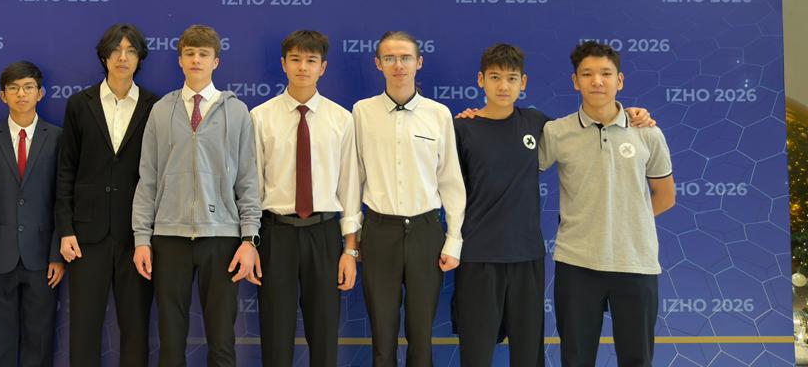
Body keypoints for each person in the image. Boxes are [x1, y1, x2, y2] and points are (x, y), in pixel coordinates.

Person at [452, 43, 657, 367]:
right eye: (495, 77)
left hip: (528, 256)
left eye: (511, 78)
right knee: (477, 352)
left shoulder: (537, 123)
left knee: (530, 354)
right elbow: (450, 191)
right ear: (481, 80)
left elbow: (594, 122)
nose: (503, 86)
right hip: (479, 254)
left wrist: (632, 113)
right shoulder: (464, 128)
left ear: (523, 82)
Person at [131, 24, 261, 367]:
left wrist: (249, 238)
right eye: (189, 53)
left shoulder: (237, 111)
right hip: (169, 237)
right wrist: (142, 238)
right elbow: (148, 178)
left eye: (204, 54)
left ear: (216, 61)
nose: (196, 60)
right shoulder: (161, 110)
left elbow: (248, 180)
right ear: (180, 60)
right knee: (171, 342)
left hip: (222, 238)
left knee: (222, 342)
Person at [541, 41, 674, 367]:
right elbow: (514, 159)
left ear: (620, 80)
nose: (597, 81)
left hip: (636, 262)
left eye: (606, 73)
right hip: (577, 263)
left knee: (637, 359)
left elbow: (665, 195)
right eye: (587, 74)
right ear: (575, 81)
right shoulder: (556, 132)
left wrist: (628, 221)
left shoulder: (647, 133)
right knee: (576, 358)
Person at [248, 30, 361, 367]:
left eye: (311, 60)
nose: (302, 67)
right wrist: (250, 242)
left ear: (322, 67)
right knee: (275, 333)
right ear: (283, 64)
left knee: (324, 334)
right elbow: (251, 186)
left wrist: (350, 250)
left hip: (323, 235)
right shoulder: (260, 117)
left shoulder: (341, 119)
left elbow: (350, 188)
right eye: (295, 59)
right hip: (276, 233)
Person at [352, 30, 465, 367]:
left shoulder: (438, 114)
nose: (398, 65)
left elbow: (450, 181)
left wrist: (454, 239)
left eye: (405, 58)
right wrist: (352, 239)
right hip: (378, 232)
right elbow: (353, 179)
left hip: (425, 233)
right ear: (378, 64)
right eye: (389, 58)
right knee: (382, 339)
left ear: (419, 62)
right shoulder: (362, 112)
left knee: (421, 337)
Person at [55, 24, 158, 366]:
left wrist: (149, 233)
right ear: (104, 56)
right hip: (86, 235)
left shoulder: (154, 106)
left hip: (136, 236)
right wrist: (66, 229)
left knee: (136, 327)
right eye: (115, 50)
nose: (122, 57)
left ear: (139, 58)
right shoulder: (79, 104)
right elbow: (66, 170)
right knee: (84, 327)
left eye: (130, 51)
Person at [0, 61, 64, 367]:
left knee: (38, 342)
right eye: (13, 88)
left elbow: (63, 201)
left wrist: (57, 254)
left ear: (41, 93)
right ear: (3, 96)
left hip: (43, 259)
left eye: (28, 87)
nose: (21, 94)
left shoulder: (58, 138)